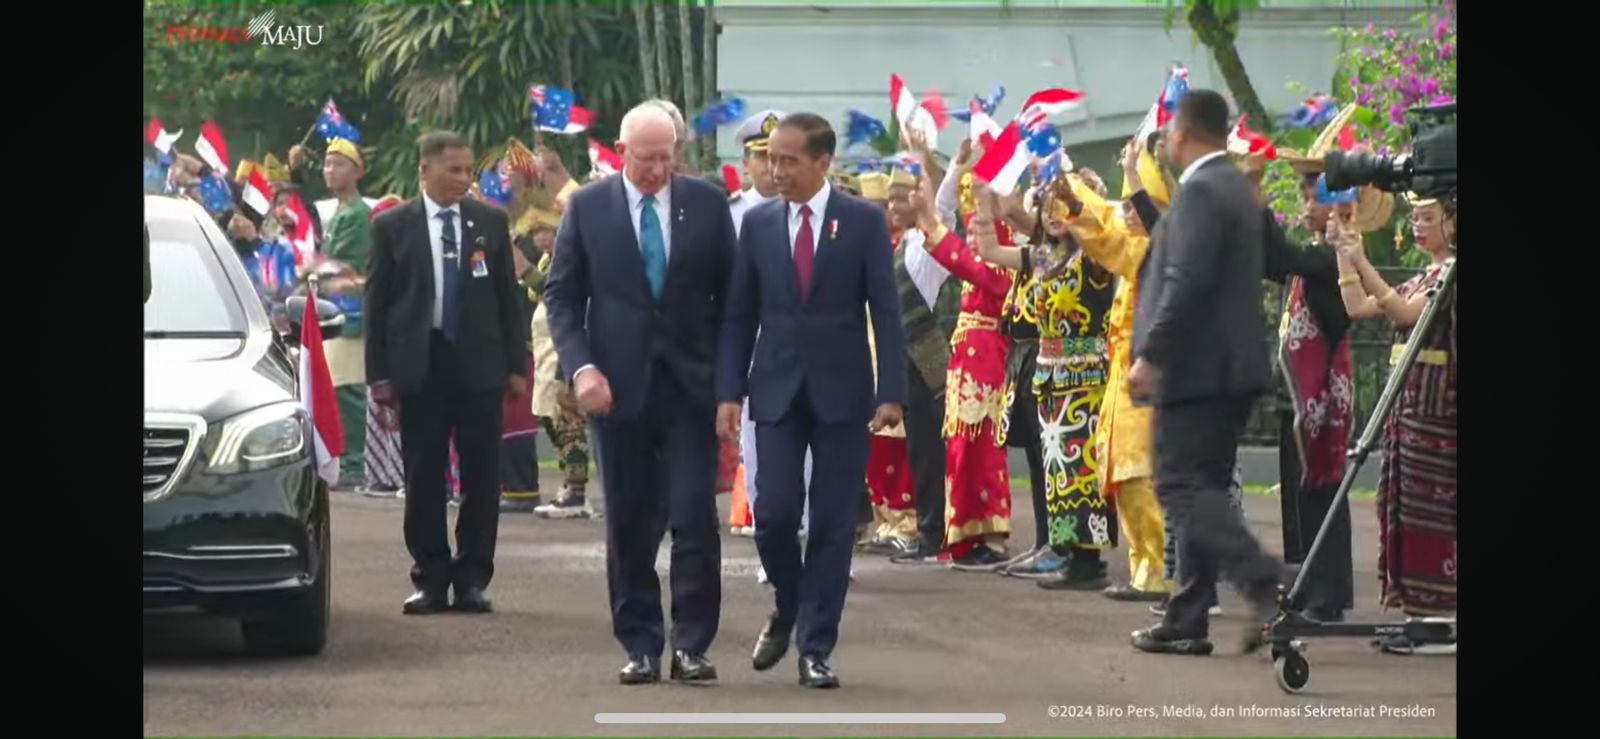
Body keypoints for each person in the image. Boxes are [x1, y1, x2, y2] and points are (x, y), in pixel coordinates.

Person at [543, 103, 736, 685]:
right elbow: (562, 298)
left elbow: (731, 304)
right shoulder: (588, 207)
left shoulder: (705, 204)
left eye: (665, 157)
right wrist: (581, 369)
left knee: (693, 515)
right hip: (616, 391)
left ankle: (694, 644)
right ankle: (641, 643)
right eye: (645, 158)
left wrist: (729, 386)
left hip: (690, 390)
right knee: (627, 520)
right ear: (620, 153)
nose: (656, 169)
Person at [715, 112, 905, 689]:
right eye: (771, 159)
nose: (777, 171)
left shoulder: (863, 223)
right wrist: (728, 391)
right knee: (772, 515)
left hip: (842, 391)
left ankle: (816, 647)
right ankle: (789, 604)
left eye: (789, 160)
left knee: (830, 520)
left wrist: (890, 389)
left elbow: (885, 311)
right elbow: (739, 313)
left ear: (823, 163)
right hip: (773, 388)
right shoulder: (759, 224)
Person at [1127, 90, 1281, 656]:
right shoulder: (1238, 189)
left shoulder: (1199, 191)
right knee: (1204, 486)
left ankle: (1263, 576)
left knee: (1180, 486)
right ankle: (1187, 616)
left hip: (1196, 372)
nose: (1164, 138)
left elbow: (1184, 282)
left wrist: (1153, 355)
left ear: (1185, 132)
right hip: (1229, 371)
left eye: (1169, 129)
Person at [364, 130, 529, 616]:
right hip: (421, 365)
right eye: (453, 170)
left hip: (479, 366)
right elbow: (377, 305)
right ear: (424, 171)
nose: (463, 179)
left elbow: (508, 299)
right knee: (424, 475)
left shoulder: (490, 223)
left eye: (467, 170)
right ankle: (431, 577)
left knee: (482, 476)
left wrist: (516, 366)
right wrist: (380, 376)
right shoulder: (393, 226)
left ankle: (474, 575)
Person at [968, 172, 1120, 590]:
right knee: (1059, 473)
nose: (1055, 214)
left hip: (1087, 377)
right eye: (1050, 205)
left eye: (1067, 205)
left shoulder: (1096, 256)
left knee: (1082, 470)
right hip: (1050, 378)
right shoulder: (1047, 257)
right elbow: (989, 250)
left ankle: (1088, 563)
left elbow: (1105, 232)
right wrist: (982, 200)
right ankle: (1069, 555)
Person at [1332, 190, 1456, 655]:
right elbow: (1358, 307)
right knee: (1404, 509)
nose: (1419, 226)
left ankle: (1441, 619)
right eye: (1416, 218)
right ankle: (1421, 616)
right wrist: (1346, 254)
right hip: (1410, 410)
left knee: (1434, 513)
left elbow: (1402, 312)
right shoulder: (1429, 273)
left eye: (1429, 218)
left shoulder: (1451, 273)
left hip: (1436, 410)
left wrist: (1361, 259)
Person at [855, 170, 918, 555]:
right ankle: (884, 520)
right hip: (866, 350)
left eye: (889, 205)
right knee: (876, 446)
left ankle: (905, 520)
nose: (887, 212)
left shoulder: (902, 245)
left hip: (895, 352)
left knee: (897, 443)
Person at [523, 211, 595, 519]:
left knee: (568, 420)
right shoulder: (544, 259)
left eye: (547, 231)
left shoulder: (568, 259)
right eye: (536, 231)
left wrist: (523, 268)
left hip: (562, 348)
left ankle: (576, 490)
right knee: (552, 421)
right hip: (543, 348)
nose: (541, 237)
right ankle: (568, 484)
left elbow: (551, 292)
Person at [316, 138, 374, 489]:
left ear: (357, 171)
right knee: (337, 387)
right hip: (333, 308)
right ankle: (346, 457)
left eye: (339, 163)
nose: (330, 170)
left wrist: (319, 269)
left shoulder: (358, 214)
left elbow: (349, 265)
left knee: (350, 388)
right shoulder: (338, 212)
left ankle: (356, 461)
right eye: (326, 163)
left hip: (351, 311)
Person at [363, 195, 407, 498]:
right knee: (380, 413)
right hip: (381, 348)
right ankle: (382, 475)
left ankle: (404, 475)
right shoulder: (377, 258)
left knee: (403, 416)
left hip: (405, 346)